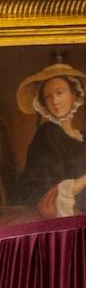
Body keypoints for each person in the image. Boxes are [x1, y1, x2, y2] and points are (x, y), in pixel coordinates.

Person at [9, 61, 86, 218]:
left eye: (59, 92)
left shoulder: (83, 136)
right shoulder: (48, 133)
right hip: (61, 215)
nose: (55, 101)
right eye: (48, 96)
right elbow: (49, 195)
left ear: (74, 95)